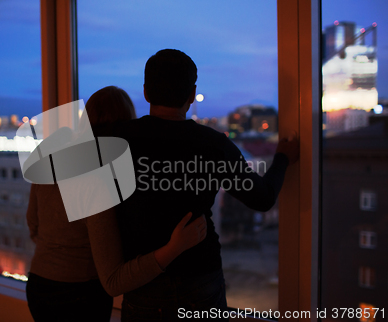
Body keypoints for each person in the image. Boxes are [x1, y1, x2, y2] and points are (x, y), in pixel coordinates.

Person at [109, 49, 299, 321]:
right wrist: (282, 158)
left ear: (146, 92)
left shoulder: (117, 141)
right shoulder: (212, 145)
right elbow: (263, 198)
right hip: (200, 278)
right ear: (190, 95)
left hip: (143, 282)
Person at [25, 86, 208, 322]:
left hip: (39, 285)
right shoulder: (98, 177)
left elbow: (33, 225)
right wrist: (174, 247)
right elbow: (113, 282)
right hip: (78, 296)